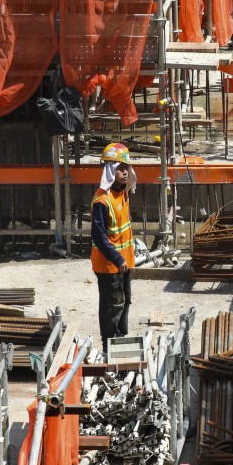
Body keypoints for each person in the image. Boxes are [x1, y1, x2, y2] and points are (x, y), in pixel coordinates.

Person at [91, 142, 137, 352]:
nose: (125, 173)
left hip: (124, 263)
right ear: (110, 170)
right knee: (112, 306)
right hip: (109, 266)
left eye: (126, 168)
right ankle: (110, 347)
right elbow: (99, 236)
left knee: (125, 301)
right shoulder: (102, 200)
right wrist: (118, 259)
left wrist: (125, 260)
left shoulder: (122, 194)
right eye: (120, 168)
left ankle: (121, 339)